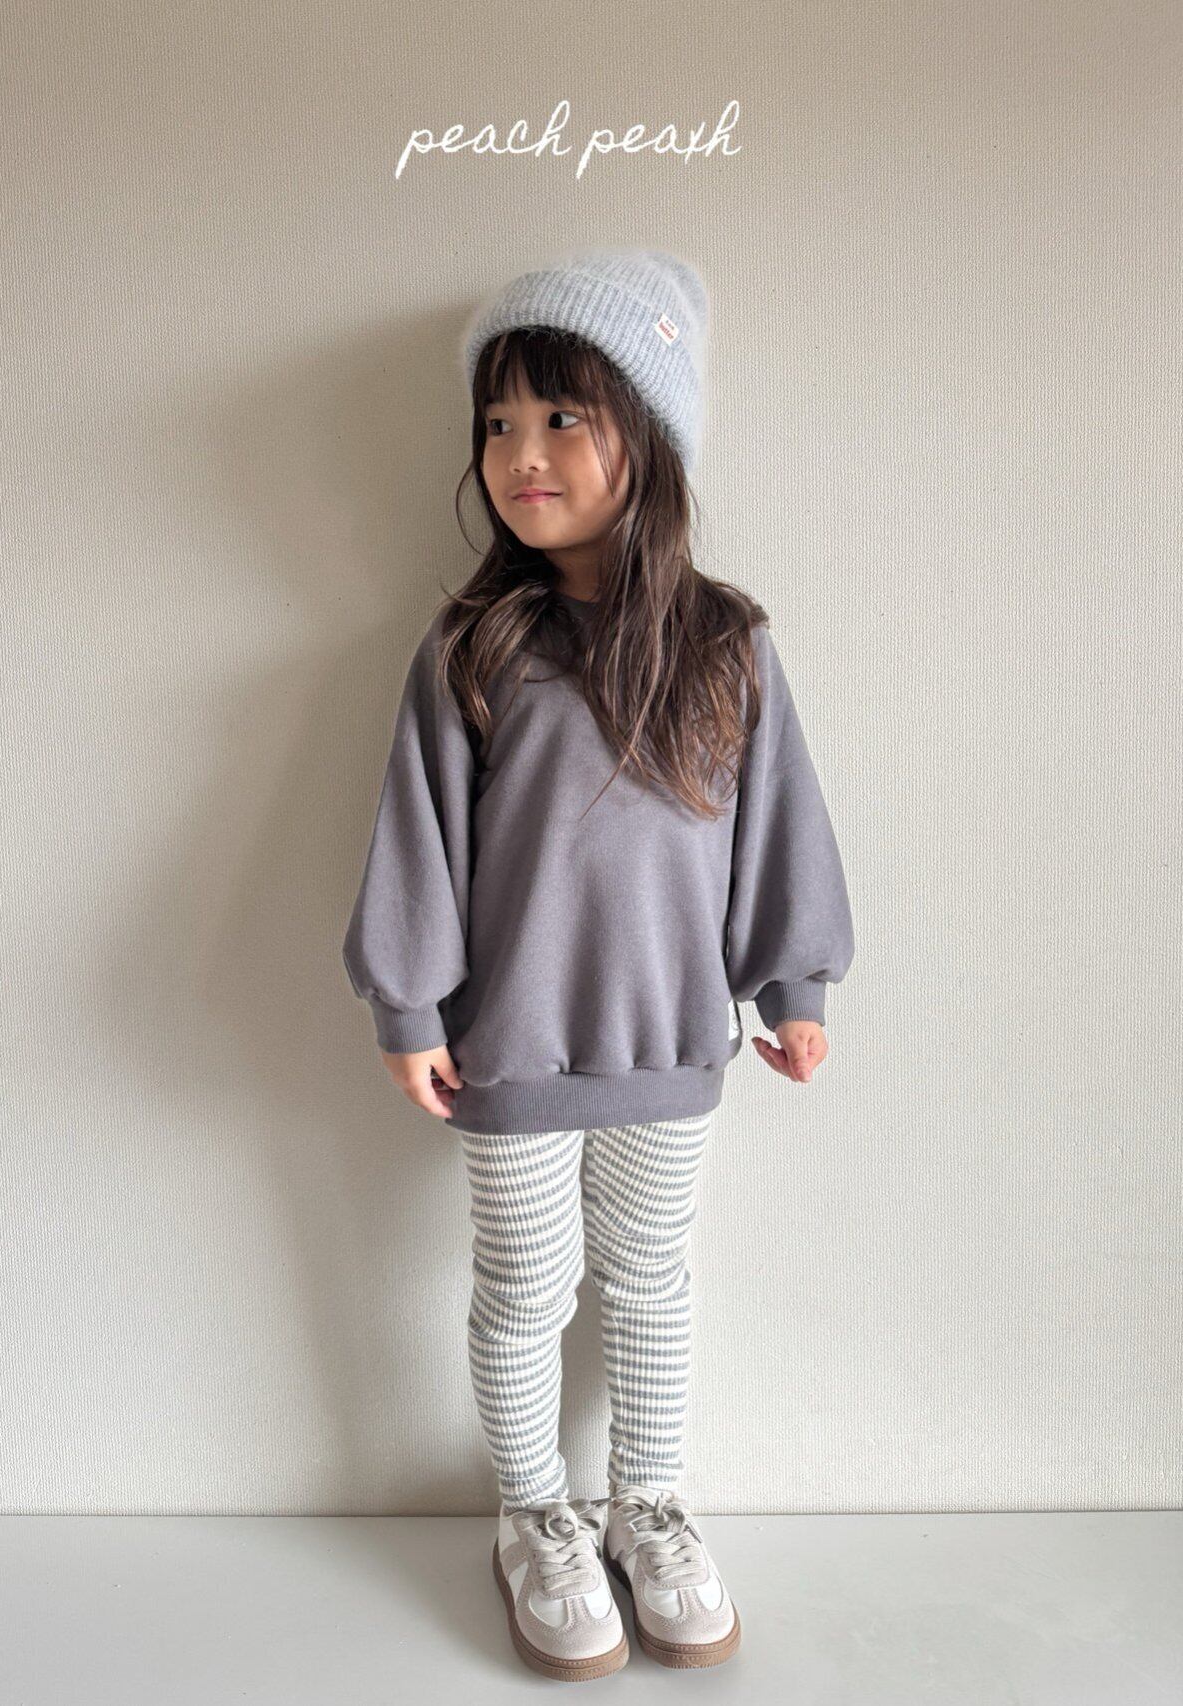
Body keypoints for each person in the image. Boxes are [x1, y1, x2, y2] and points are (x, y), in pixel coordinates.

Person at [342, 248, 855, 1680]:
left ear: (649, 433)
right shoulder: (473, 646)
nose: (522, 453)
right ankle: (534, 1515)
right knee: (523, 1286)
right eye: (499, 422)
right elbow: (418, 833)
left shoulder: (725, 644)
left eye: (563, 417)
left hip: (672, 1044)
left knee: (651, 1280)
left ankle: (649, 1508)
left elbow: (778, 824)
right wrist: (407, 1000)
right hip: (507, 1048)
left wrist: (793, 985)